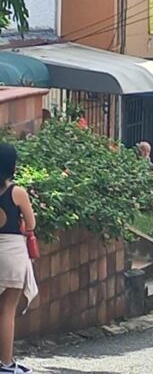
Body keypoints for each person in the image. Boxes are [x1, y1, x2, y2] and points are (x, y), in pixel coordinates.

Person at [0, 143, 38, 374]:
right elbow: (31, 224)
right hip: (12, 253)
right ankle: (6, 363)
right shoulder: (17, 192)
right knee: (7, 310)